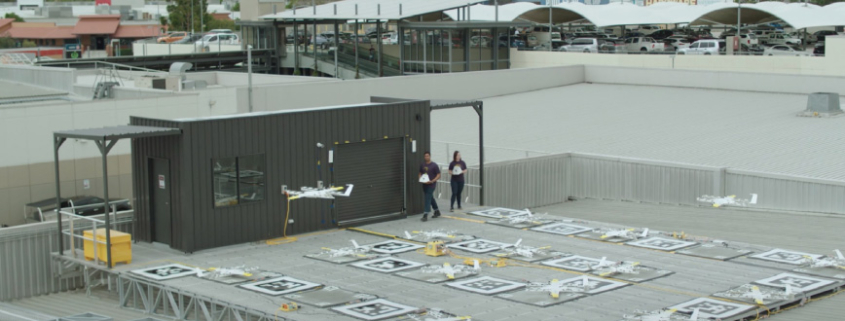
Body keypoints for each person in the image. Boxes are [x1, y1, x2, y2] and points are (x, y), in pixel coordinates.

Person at [419, 151, 441, 222]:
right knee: (430, 197)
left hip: (431, 184)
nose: (426, 157)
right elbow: (420, 173)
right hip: (425, 184)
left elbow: (438, 175)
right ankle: (437, 211)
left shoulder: (434, 165)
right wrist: (420, 179)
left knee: (427, 198)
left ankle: (425, 214)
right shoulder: (422, 165)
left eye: (427, 156)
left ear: (430, 156)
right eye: (425, 156)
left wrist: (432, 181)